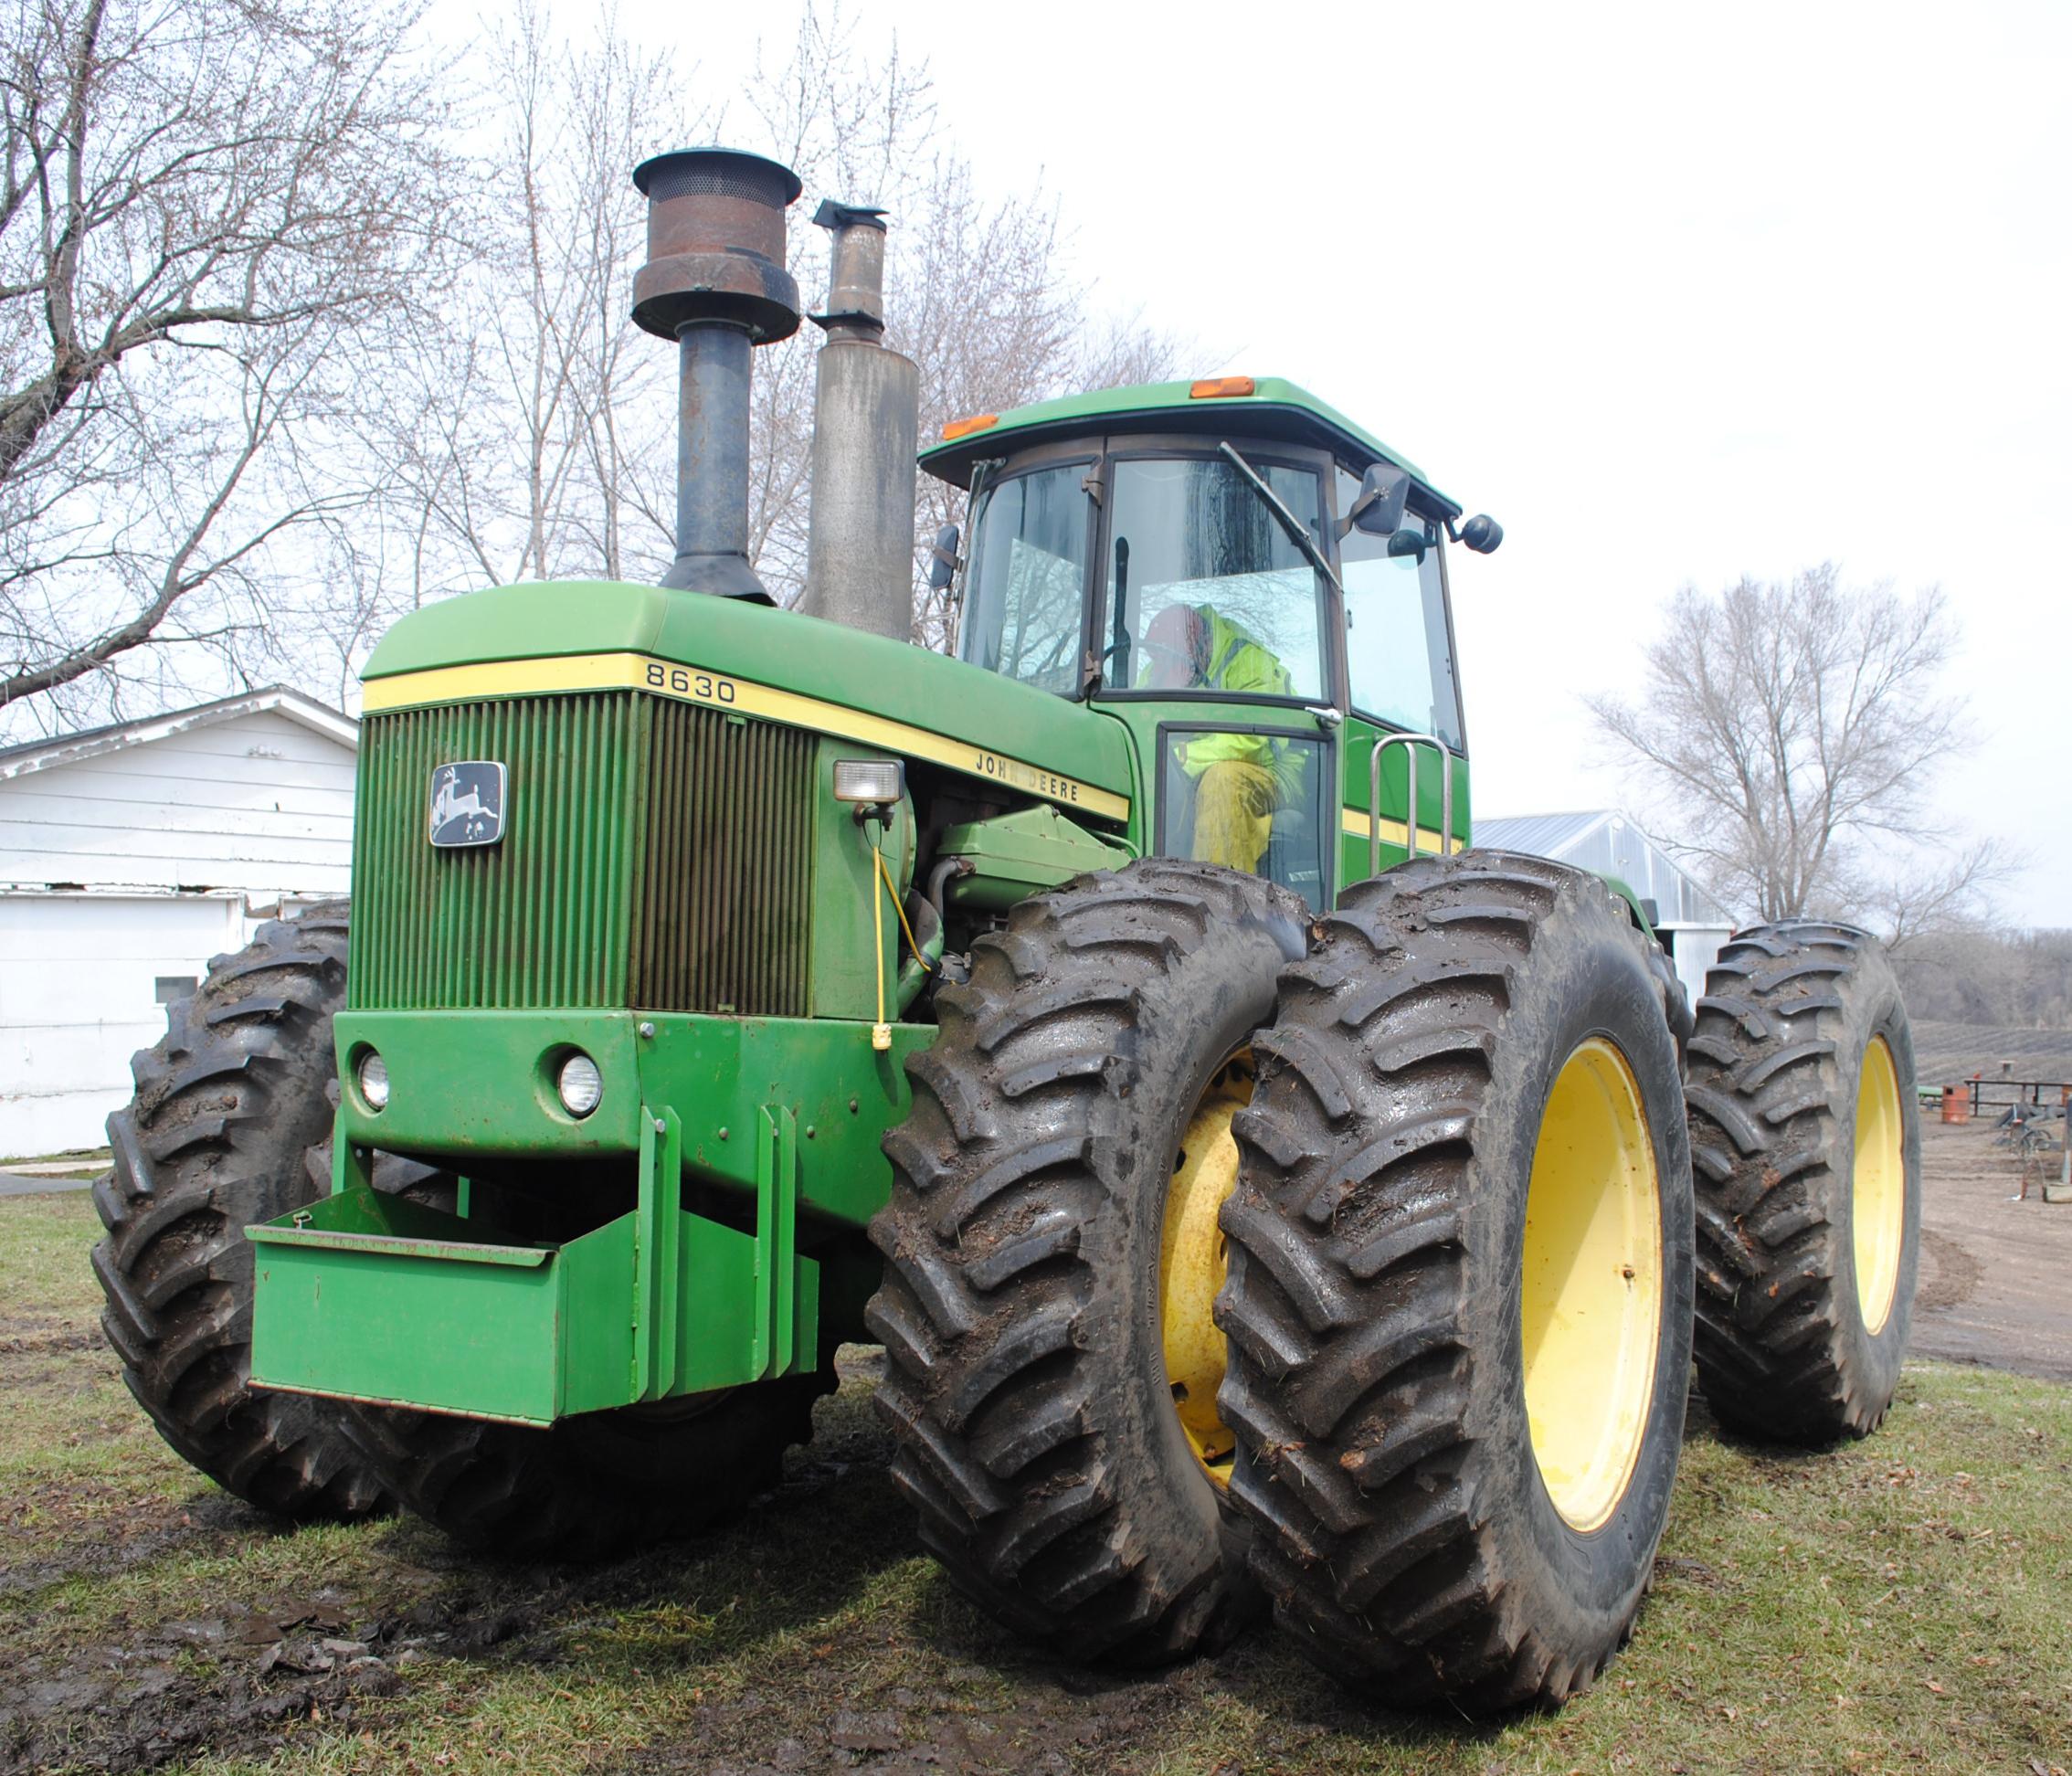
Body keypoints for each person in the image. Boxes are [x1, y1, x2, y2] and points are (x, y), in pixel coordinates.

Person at [1140, 602, 1301, 875]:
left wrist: (1185, 757)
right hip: (1192, 772)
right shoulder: (1158, 670)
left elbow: (1252, 740)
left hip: (1273, 769)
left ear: (1201, 645)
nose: (1162, 667)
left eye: (1172, 660)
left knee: (1222, 780)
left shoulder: (1250, 662)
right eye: (1158, 659)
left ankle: (1217, 902)